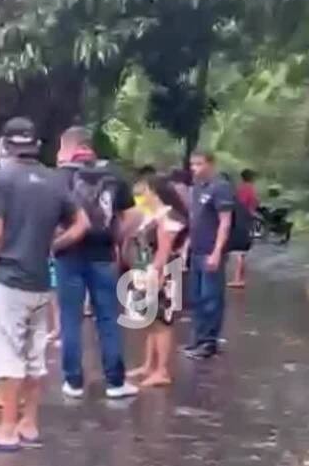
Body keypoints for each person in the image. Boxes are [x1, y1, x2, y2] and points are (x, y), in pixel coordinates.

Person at [0, 117, 89, 451]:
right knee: (35, 355)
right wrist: (55, 246)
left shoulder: (1, 179)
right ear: (35, 145)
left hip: (10, 280)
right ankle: (29, 424)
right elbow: (83, 223)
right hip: (40, 281)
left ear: (5, 145)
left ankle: (6, 429)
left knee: (7, 354)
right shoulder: (54, 181)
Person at [53, 126, 139, 399]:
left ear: (68, 147)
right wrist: (117, 240)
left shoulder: (58, 178)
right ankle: (115, 382)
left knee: (70, 319)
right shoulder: (113, 174)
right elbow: (132, 217)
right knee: (107, 318)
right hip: (103, 256)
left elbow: (49, 217)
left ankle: (73, 382)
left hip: (68, 255)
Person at [127, 176, 188, 387]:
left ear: (155, 193)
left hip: (163, 272)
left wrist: (157, 275)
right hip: (148, 270)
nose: (141, 198)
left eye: (144, 193)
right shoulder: (152, 215)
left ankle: (161, 370)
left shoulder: (168, 217)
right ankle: (148, 364)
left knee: (162, 322)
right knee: (150, 320)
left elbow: (164, 250)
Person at [184, 151, 234, 360]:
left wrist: (217, 251)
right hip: (196, 249)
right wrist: (186, 245)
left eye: (199, 164)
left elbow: (225, 221)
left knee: (210, 297)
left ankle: (209, 342)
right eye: (192, 164)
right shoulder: (197, 188)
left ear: (210, 164)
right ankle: (198, 338)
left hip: (210, 251)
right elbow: (194, 219)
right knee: (195, 297)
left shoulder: (220, 187)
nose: (194, 168)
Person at [229, 168, 260, 288]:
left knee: (239, 252)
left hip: (240, 220)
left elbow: (237, 204)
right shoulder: (251, 189)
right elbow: (254, 204)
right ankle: (240, 278)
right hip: (247, 220)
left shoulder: (241, 189)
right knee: (242, 251)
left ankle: (238, 279)